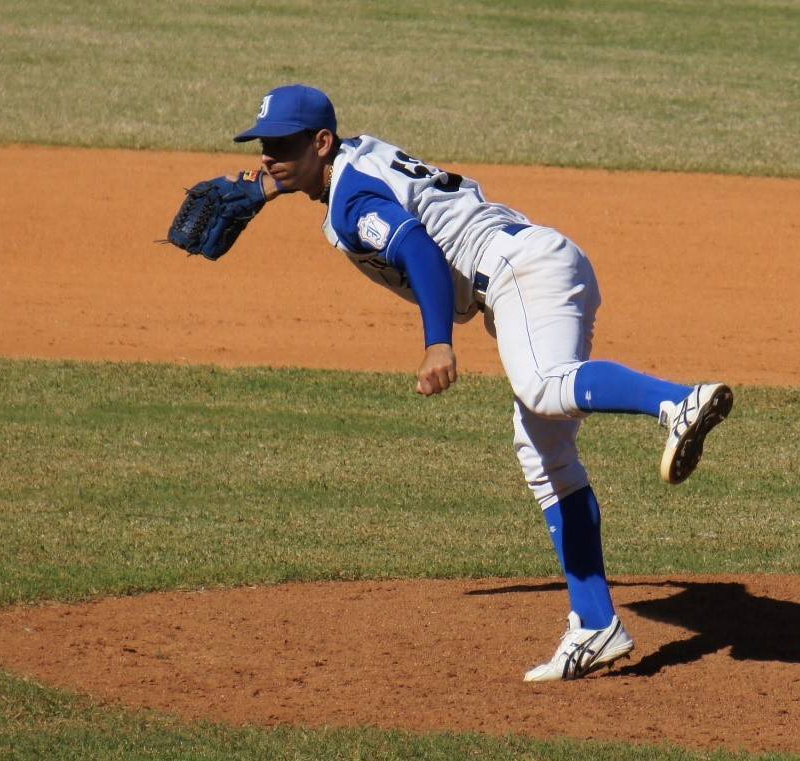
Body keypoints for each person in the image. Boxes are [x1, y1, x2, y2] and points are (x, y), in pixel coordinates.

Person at [230, 84, 733, 682]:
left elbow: (413, 244)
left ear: (320, 142)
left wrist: (437, 341)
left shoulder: (351, 196)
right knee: (544, 451)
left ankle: (677, 402)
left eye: (283, 144)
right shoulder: (356, 160)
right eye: (263, 144)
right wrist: (272, 184)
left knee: (545, 385)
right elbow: (372, 192)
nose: (269, 154)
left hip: (520, 272)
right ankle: (596, 623)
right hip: (538, 261)